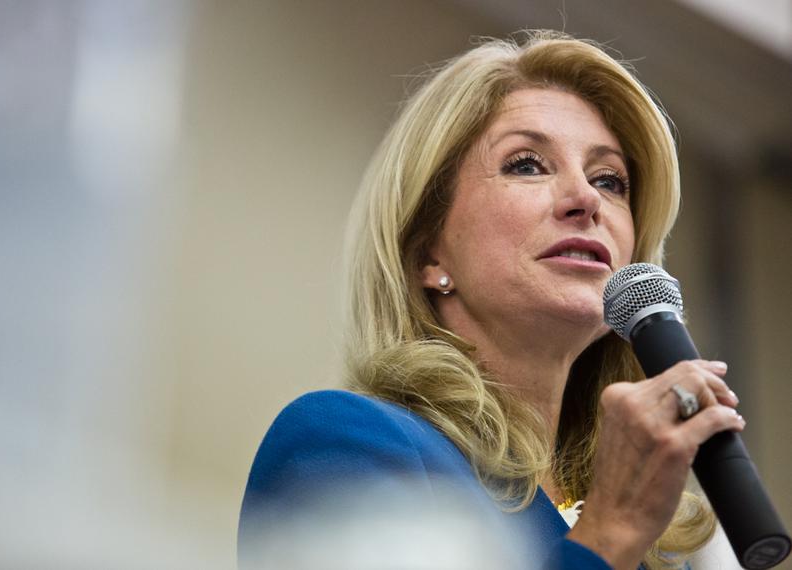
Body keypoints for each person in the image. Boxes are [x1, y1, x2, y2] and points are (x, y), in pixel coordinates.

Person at [238, 31, 744, 569]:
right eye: (526, 164)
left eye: (609, 179)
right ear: (427, 254)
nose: (586, 199)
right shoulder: (341, 441)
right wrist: (609, 535)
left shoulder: (672, 544)